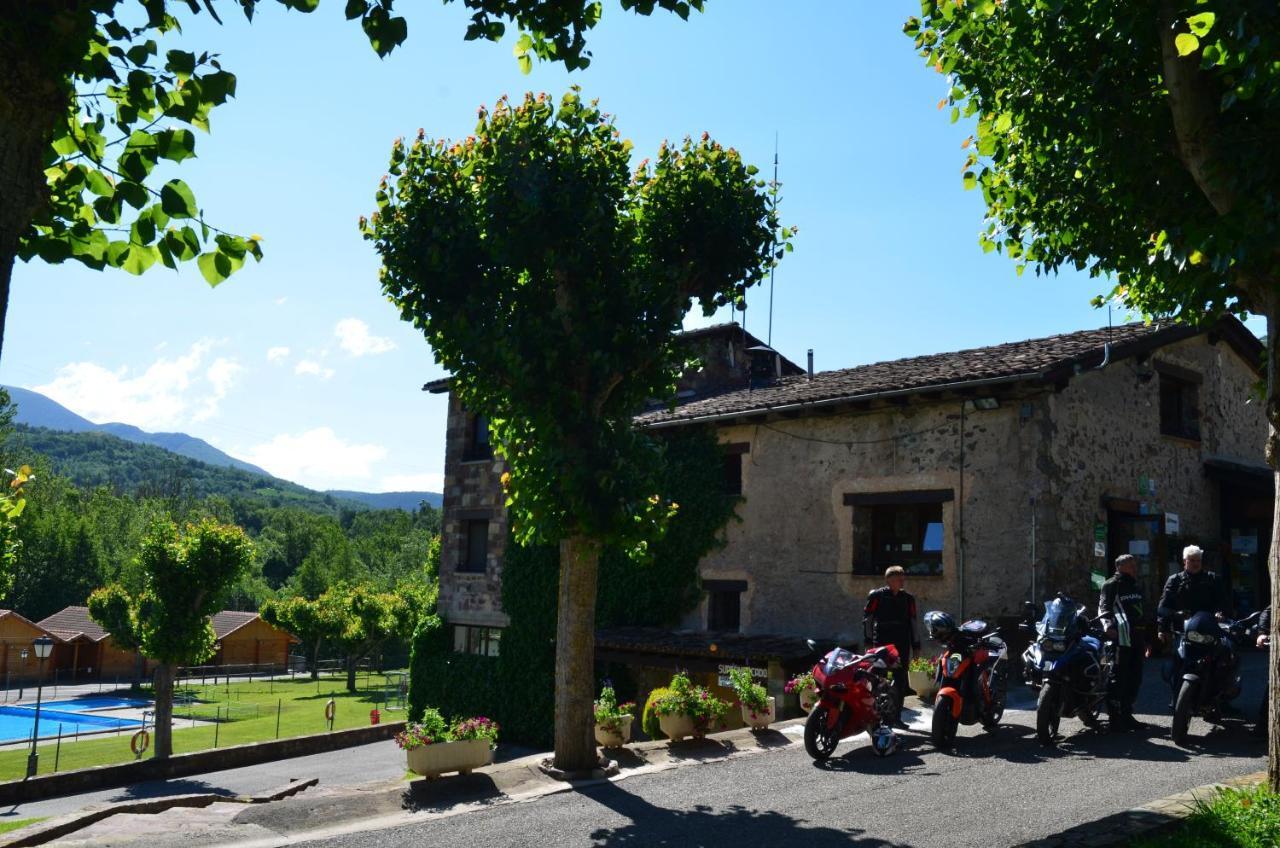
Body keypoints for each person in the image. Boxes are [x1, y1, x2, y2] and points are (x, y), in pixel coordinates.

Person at [1155, 544, 1230, 705]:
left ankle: (1221, 700)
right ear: (1184, 561)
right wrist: (1164, 627)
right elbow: (1163, 607)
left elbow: (1224, 601)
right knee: (1179, 662)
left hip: (1209, 628)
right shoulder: (1174, 580)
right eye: (1192, 560)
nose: (1195, 563)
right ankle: (1177, 700)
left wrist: (1219, 612)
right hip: (1183, 630)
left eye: (1198, 560)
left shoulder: (1212, 578)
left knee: (1221, 659)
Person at [864, 566, 921, 727]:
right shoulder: (876, 596)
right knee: (877, 679)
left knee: (901, 680)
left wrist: (916, 646)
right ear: (888, 579)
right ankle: (875, 716)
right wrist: (868, 643)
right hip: (881, 642)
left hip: (902, 643)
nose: (902, 582)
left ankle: (896, 717)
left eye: (903, 579)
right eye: (898, 579)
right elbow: (867, 620)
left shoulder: (908, 598)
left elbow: (913, 622)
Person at [1098, 554, 1148, 730]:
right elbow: (1103, 607)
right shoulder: (1111, 584)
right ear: (1119, 567)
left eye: (1135, 565)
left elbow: (1144, 610)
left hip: (1137, 636)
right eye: (1130, 565)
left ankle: (1127, 713)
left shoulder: (1137, 584)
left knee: (1135, 677)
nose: (1134, 568)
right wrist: (1107, 626)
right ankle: (1115, 716)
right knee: (1118, 676)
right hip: (1120, 637)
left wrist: (1148, 638)